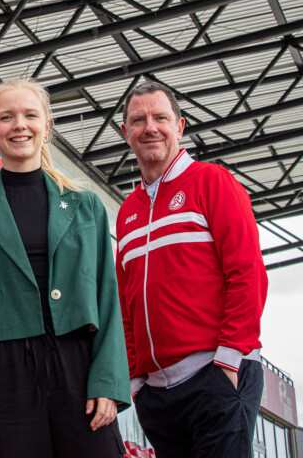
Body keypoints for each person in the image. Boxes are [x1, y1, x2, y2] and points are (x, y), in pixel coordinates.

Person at [0, 79, 130, 457]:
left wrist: (108, 381)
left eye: (30, 115)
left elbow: (108, 298)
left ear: (47, 126)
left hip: (77, 364)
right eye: (6, 117)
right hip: (2, 373)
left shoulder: (86, 205)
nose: (19, 125)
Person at [115, 81, 267, 458]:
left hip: (216, 376)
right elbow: (125, 302)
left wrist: (229, 359)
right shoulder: (126, 212)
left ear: (179, 127)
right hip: (157, 395)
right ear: (126, 133)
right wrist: (136, 378)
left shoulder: (213, 182)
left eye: (160, 118)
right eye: (138, 120)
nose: (150, 127)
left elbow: (247, 273)